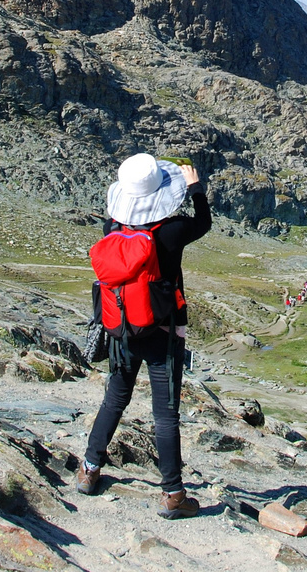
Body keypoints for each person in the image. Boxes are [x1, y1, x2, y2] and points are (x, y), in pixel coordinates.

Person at [78, 154, 211, 519]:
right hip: (163, 333)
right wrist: (195, 186)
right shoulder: (171, 233)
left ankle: (89, 470)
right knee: (165, 414)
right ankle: (173, 494)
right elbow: (204, 221)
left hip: (121, 331)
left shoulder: (112, 229)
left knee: (115, 398)